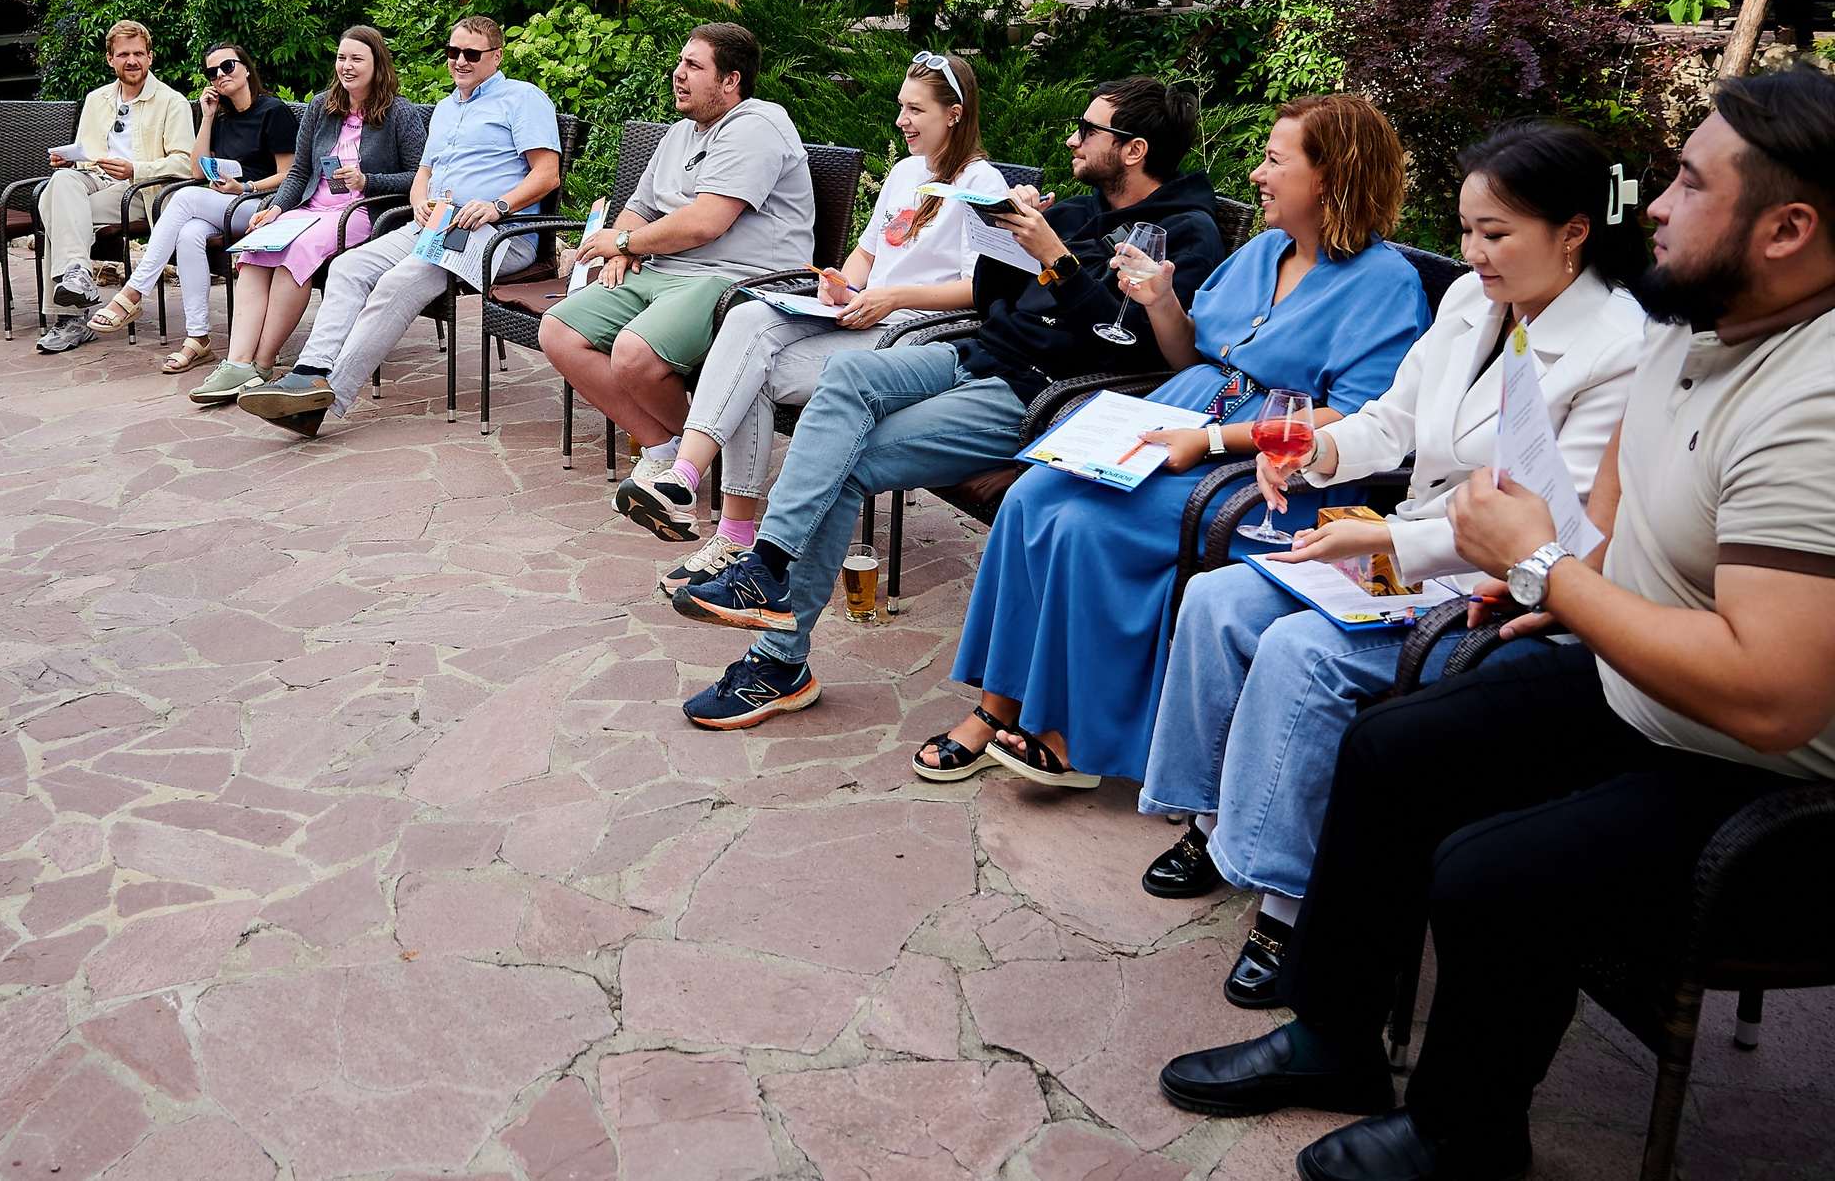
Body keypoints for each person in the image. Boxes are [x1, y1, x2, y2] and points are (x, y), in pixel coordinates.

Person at [1159, 71, 1835, 1181]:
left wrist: (1543, 576)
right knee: (1389, 745)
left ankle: (1462, 1138)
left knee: (1489, 871)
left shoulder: (1809, 406)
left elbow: (1771, 694)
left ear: (1788, 226)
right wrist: (1557, 587)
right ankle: (1333, 1036)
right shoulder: (1694, 323)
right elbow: (1605, 522)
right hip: (1640, 678)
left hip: (1758, 777)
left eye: (1687, 182)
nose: (1654, 206)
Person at [1137, 122, 1647, 1010]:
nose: (1473, 254)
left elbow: (1553, 532)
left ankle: (1289, 903)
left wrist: (1384, 543)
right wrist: (1312, 453)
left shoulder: (1617, 350)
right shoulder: (1472, 306)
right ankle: (1208, 819)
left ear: (1574, 232)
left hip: (1493, 583)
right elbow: (1390, 421)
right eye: (1465, 230)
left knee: (1305, 656)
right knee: (1219, 600)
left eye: (1496, 234)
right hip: (1409, 537)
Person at [673, 78, 1228, 731]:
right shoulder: (1079, 213)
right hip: (975, 355)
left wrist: (1054, 259)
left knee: (843, 461)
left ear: (1133, 149)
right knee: (845, 381)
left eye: (1088, 129)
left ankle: (777, 653)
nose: (1073, 138)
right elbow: (997, 301)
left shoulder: (1190, 234)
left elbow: (1141, 354)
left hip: (1034, 394)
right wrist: (1000, 236)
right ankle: (766, 573)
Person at [923, 94, 1429, 788]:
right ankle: (996, 706)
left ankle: (1077, 741)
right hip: (1181, 415)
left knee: (1085, 527)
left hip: (1266, 471)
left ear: (1331, 178)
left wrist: (1215, 440)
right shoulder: (1264, 251)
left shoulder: (1386, 286)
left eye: (1275, 162)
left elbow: (1353, 420)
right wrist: (1163, 302)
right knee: (1032, 496)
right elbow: (1194, 359)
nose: (1255, 174)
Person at [612, 51, 999, 555]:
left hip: (917, 334)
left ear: (955, 113)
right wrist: (841, 281)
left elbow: (981, 289)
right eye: (901, 107)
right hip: (864, 314)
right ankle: (686, 474)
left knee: (750, 374)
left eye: (915, 110)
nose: (901, 121)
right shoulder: (906, 172)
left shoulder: (983, 185)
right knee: (749, 317)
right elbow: (866, 253)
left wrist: (892, 297)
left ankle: (729, 530)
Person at [237, 17, 561, 436]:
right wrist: (418, 202)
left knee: (399, 282)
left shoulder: (523, 98)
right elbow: (423, 172)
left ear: (496, 57)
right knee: (349, 267)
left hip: (497, 232)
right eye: (453, 52)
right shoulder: (446, 109)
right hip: (437, 223)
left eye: (471, 54)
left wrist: (497, 206)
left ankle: (323, 399)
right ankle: (309, 371)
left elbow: (547, 174)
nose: (459, 61)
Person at [538, 24, 815, 476]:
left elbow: (707, 222)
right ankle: (668, 447)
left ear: (731, 80)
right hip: (665, 270)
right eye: (680, 62)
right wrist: (623, 250)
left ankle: (696, 457)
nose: (678, 73)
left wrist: (625, 242)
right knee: (558, 331)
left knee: (633, 354)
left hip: (735, 279)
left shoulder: (758, 125)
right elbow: (639, 207)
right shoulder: (680, 133)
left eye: (693, 65)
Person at [186, 25, 427, 408]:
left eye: (356, 59)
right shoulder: (321, 105)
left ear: (377, 64)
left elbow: (419, 174)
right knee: (256, 251)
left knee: (297, 254)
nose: (346, 66)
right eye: (341, 58)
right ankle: (237, 363)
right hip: (311, 209)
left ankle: (262, 365)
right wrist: (274, 208)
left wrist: (368, 180)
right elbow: (299, 172)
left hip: (361, 212)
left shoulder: (400, 113)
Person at [105, 41, 298, 371]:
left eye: (228, 67)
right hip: (226, 205)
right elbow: (197, 171)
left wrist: (246, 186)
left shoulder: (272, 111)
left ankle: (135, 290)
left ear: (247, 67)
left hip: (264, 207)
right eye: (213, 72)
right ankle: (198, 339)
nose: (220, 75)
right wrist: (207, 118)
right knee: (189, 234)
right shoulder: (221, 117)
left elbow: (290, 175)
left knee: (182, 198)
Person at [36, 19, 195, 355]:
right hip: (96, 180)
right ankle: (77, 274)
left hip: (141, 189)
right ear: (110, 60)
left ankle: (71, 321)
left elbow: (185, 163)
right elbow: (86, 155)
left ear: (150, 57)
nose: (132, 60)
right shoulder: (96, 99)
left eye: (139, 53)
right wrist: (70, 162)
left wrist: (135, 169)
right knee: (60, 183)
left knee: (59, 214)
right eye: (123, 54)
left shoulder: (172, 101)